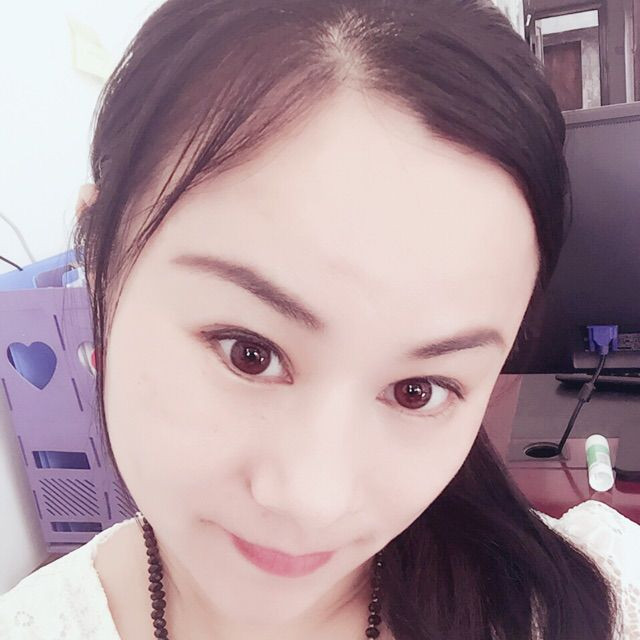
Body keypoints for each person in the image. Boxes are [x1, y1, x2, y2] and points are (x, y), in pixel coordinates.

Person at [1, 0, 639, 638]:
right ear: (100, 264)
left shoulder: (592, 609)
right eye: (248, 353)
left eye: (418, 391)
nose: (313, 501)